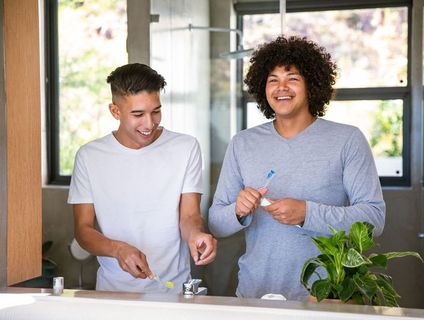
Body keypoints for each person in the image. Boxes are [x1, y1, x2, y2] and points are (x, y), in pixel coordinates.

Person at [208, 36, 385, 301]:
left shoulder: (347, 140)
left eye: (292, 78)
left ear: (312, 85)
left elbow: (374, 219)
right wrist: (237, 209)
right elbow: (216, 224)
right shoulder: (243, 143)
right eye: (273, 79)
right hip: (255, 293)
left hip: (324, 295)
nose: (281, 87)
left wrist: (307, 213)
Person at [68, 63, 217, 293]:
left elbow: (189, 215)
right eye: (138, 114)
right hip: (113, 294)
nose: (149, 123)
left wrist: (196, 234)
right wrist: (117, 249)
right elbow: (83, 230)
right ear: (115, 111)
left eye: (156, 111)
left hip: (173, 291)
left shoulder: (186, 148)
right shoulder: (89, 157)